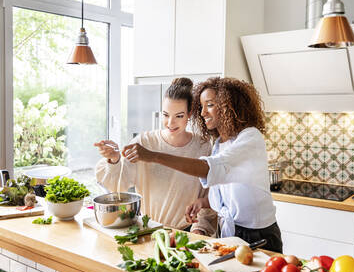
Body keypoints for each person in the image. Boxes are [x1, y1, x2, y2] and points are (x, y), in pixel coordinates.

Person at [121, 77, 283, 252]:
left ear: (229, 105)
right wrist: (203, 202)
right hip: (229, 232)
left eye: (210, 105)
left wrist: (153, 156)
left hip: (258, 235)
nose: (203, 112)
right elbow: (227, 194)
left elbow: (209, 168)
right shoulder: (219, 144)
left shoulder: (250, 137)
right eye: (202, 106)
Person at [94, 78, 216, 236]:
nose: (170, 123)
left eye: (179, 116)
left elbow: (208, 198)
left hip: (186, 235)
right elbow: (119, 187)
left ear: (190, 114)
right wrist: (114, 159)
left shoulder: (203, 146)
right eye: (165, 115)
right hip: (147, 230)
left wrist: (199, 230)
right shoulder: (144, 142)